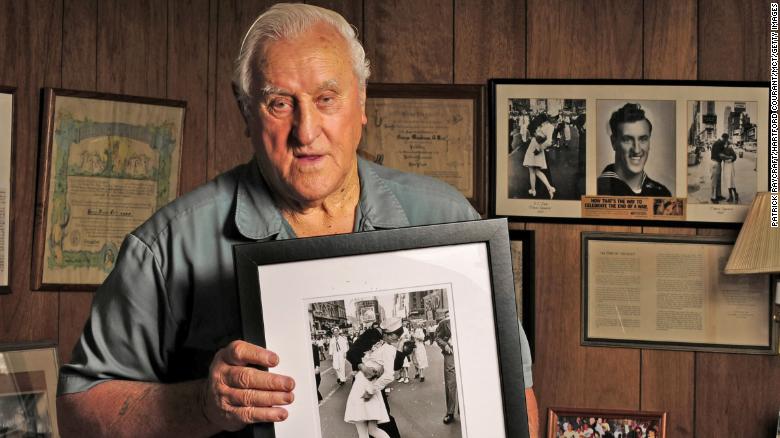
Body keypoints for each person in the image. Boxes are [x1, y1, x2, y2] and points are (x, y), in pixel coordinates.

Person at [56, 3, 538, 437]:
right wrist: (204, 405)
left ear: (362, 102)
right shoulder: (167, 247)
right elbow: (78, 411)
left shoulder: (445, 219)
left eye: (327, 98)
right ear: (246, 111)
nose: (305, 132)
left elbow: (516, 399)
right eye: (279, 103)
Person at [344, 318, 403, 438]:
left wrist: (382, 368)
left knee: (376, 423)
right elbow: (351, 353)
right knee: (368, 427)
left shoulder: (389, 347)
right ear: (387, 334)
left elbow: (393, 368)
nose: (397, 339)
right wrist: (363, 367)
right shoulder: (371, 335)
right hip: (364, 383)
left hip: (372, 385)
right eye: (395, 336)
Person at [597, 103, 671, 197]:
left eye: (643, 139)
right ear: (613, 142)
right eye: (627, 140)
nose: (636, 150)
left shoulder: (662, 193)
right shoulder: (597, 190)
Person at [523, 114, 556, 198]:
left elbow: (549, 141)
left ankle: (534, 190)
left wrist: (539, 148)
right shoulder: (548, 126)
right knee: (536, 171)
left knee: (532, 170)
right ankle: (549, 188)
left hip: (535, 148)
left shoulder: (549, 127)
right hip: (536, 147)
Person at [435, 310, 458, 424]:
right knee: (451, 383)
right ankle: (450, 412)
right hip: (451, 353)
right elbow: (437, 337)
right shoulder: (444, 323)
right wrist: (445, 345)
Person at [709, 133, 730, 203]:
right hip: (715, 163)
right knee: (714, 181)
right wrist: (729, 157)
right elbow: (721, 155)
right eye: (727, 140)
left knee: (718, 181)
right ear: (725, 138)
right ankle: (713, 197)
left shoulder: (719, 143)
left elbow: (723, 152)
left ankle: (718, 195)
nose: (726, 141)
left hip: (717, 163)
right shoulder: (719, 143)